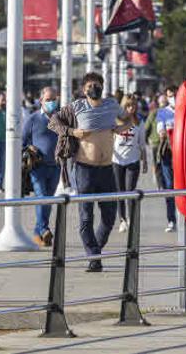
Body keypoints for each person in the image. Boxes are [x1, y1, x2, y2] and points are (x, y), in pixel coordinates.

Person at [49, 73, 131, 272]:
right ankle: (94, 258)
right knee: (86, 217)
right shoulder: (76, 106)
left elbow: (127, 118)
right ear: (84, 89)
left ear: (102, 86)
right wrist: (72, 132)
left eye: (96, 85)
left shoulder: (111, 105)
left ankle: (95, 252)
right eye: (89, 86)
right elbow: (53, 122)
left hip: (106, 169)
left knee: (109, 217)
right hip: (84, 169)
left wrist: (122, 127)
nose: (93, 88)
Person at [22, 87, 61, 247]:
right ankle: (44, 229)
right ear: (41, 101)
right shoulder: (32, 119)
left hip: (55, 167)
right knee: (42, 198)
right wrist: (29, 148)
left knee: (48, 200)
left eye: (54, 99)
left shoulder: (60, 118)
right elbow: (22, 141)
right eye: (48, 99)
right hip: (38, 167)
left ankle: (38, 232)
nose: (51, 103)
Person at [113, 94, 148, 233]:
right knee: (119, 192)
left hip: (133, 161)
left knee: (130, 191)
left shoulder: (139, 122)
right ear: (123, 106)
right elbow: (110, 139)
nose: (130, 108)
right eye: (128, 106)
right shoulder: (116, 120)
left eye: (133, 106)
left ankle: (131, 218)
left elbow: (142, 143)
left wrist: (145, 161)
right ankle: (122, 219)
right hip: (116, 161)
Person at [156, 85, 179, 233]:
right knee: (169, 185)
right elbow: (160, 129)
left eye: (175, 95)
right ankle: (171, 219)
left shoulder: (185, 111)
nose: (173, 98)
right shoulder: (163, 112)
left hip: (183, 154)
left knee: (185, 186)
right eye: (170, 95)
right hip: (168, 153)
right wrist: (163, 131)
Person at [145, 94, 167, 189]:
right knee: (165, 164)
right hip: (166, 143)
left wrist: (146, 140)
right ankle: (166, 184)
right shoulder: (170, 112)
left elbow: (147, 127)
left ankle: (160, 185)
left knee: (157, 165)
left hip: (155, 143)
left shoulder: (154, 113)